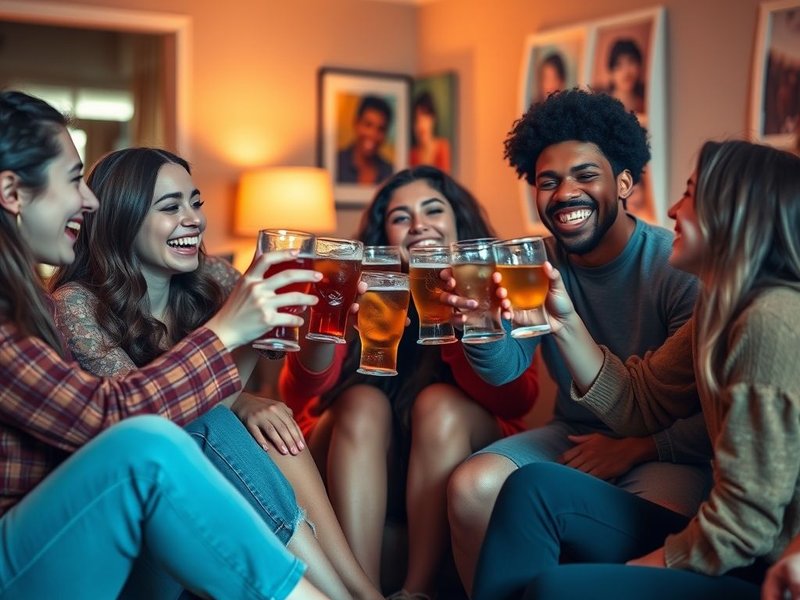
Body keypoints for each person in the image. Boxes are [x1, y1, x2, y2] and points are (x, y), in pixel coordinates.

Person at [0, 90, 326, 598]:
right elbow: (110, 418)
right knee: (167, 437)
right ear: (13, 193)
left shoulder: (25, 304)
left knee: (222, 430)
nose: (87, 201)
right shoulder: (61, 306)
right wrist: (227, 334)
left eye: (195, 203)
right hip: (36, 545)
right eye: (72, 180)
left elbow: (299, 370)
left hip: (87, 522)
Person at [473, 139, 800, 600]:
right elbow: (639, 400)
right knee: (534, 486)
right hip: (739, 546)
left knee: (554, 589)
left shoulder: (771, 321)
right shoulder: (720, 304)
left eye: (689, 194)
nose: (671, 209)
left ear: (736, 212)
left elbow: (746, 521)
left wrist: (650, 566)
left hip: (762, 567)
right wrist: (564, 322)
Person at [50, 147, 382, 600]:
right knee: (221, 420)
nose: (193, 219)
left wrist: (329, 321)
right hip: (139, 528)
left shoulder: (214, 279)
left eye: (196, 203)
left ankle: (363, 592)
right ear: (121, 219)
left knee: (270, 425)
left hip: (211, 519)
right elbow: (140, 415)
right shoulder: (76, 303)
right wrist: (240, 399)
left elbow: (300, 380)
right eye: (171, 207)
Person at [446, 89, 708, 595]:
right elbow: (503, 370)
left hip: (668, 452)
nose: (565, 193)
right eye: (548, 182)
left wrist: (635, 447)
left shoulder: (675, 267)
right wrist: (479, 323)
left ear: (624, 181)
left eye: (585, 175)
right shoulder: (532, 261)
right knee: (470, 486)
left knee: (651, 527)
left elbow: (710, 410)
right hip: (571, 435)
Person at [279, 165, 539, 598]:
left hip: (457, 446)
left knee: (438, 401)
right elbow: (300, 391)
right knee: (363, 400)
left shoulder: (493, 283)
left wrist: (464, 330)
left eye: (433, 210)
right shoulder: (359, 285)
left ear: (458, 221)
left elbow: (518, 400)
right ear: (386, 236)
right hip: (355, 451)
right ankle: (362, 591)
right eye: (401, 217)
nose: (419, 225)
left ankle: (416, 592)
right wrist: (333, 320)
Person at [337, 95, 394, 185]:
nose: (373, 134)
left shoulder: (389, 172)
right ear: (356, 124)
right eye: (368, 125)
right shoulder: (337, 163)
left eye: (381, 129)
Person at [409, 91, 451, 172]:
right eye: (417, 120)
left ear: (433, 119)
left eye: (425, 117)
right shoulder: (412, 155)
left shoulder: (443, 148)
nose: (421, 124)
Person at [606, 38, 646, 117]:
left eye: (631, 61)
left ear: (639, 66)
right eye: (618, 65)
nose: (626, 71)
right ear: (611, 73)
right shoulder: (602, 108)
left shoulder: (646, 105)